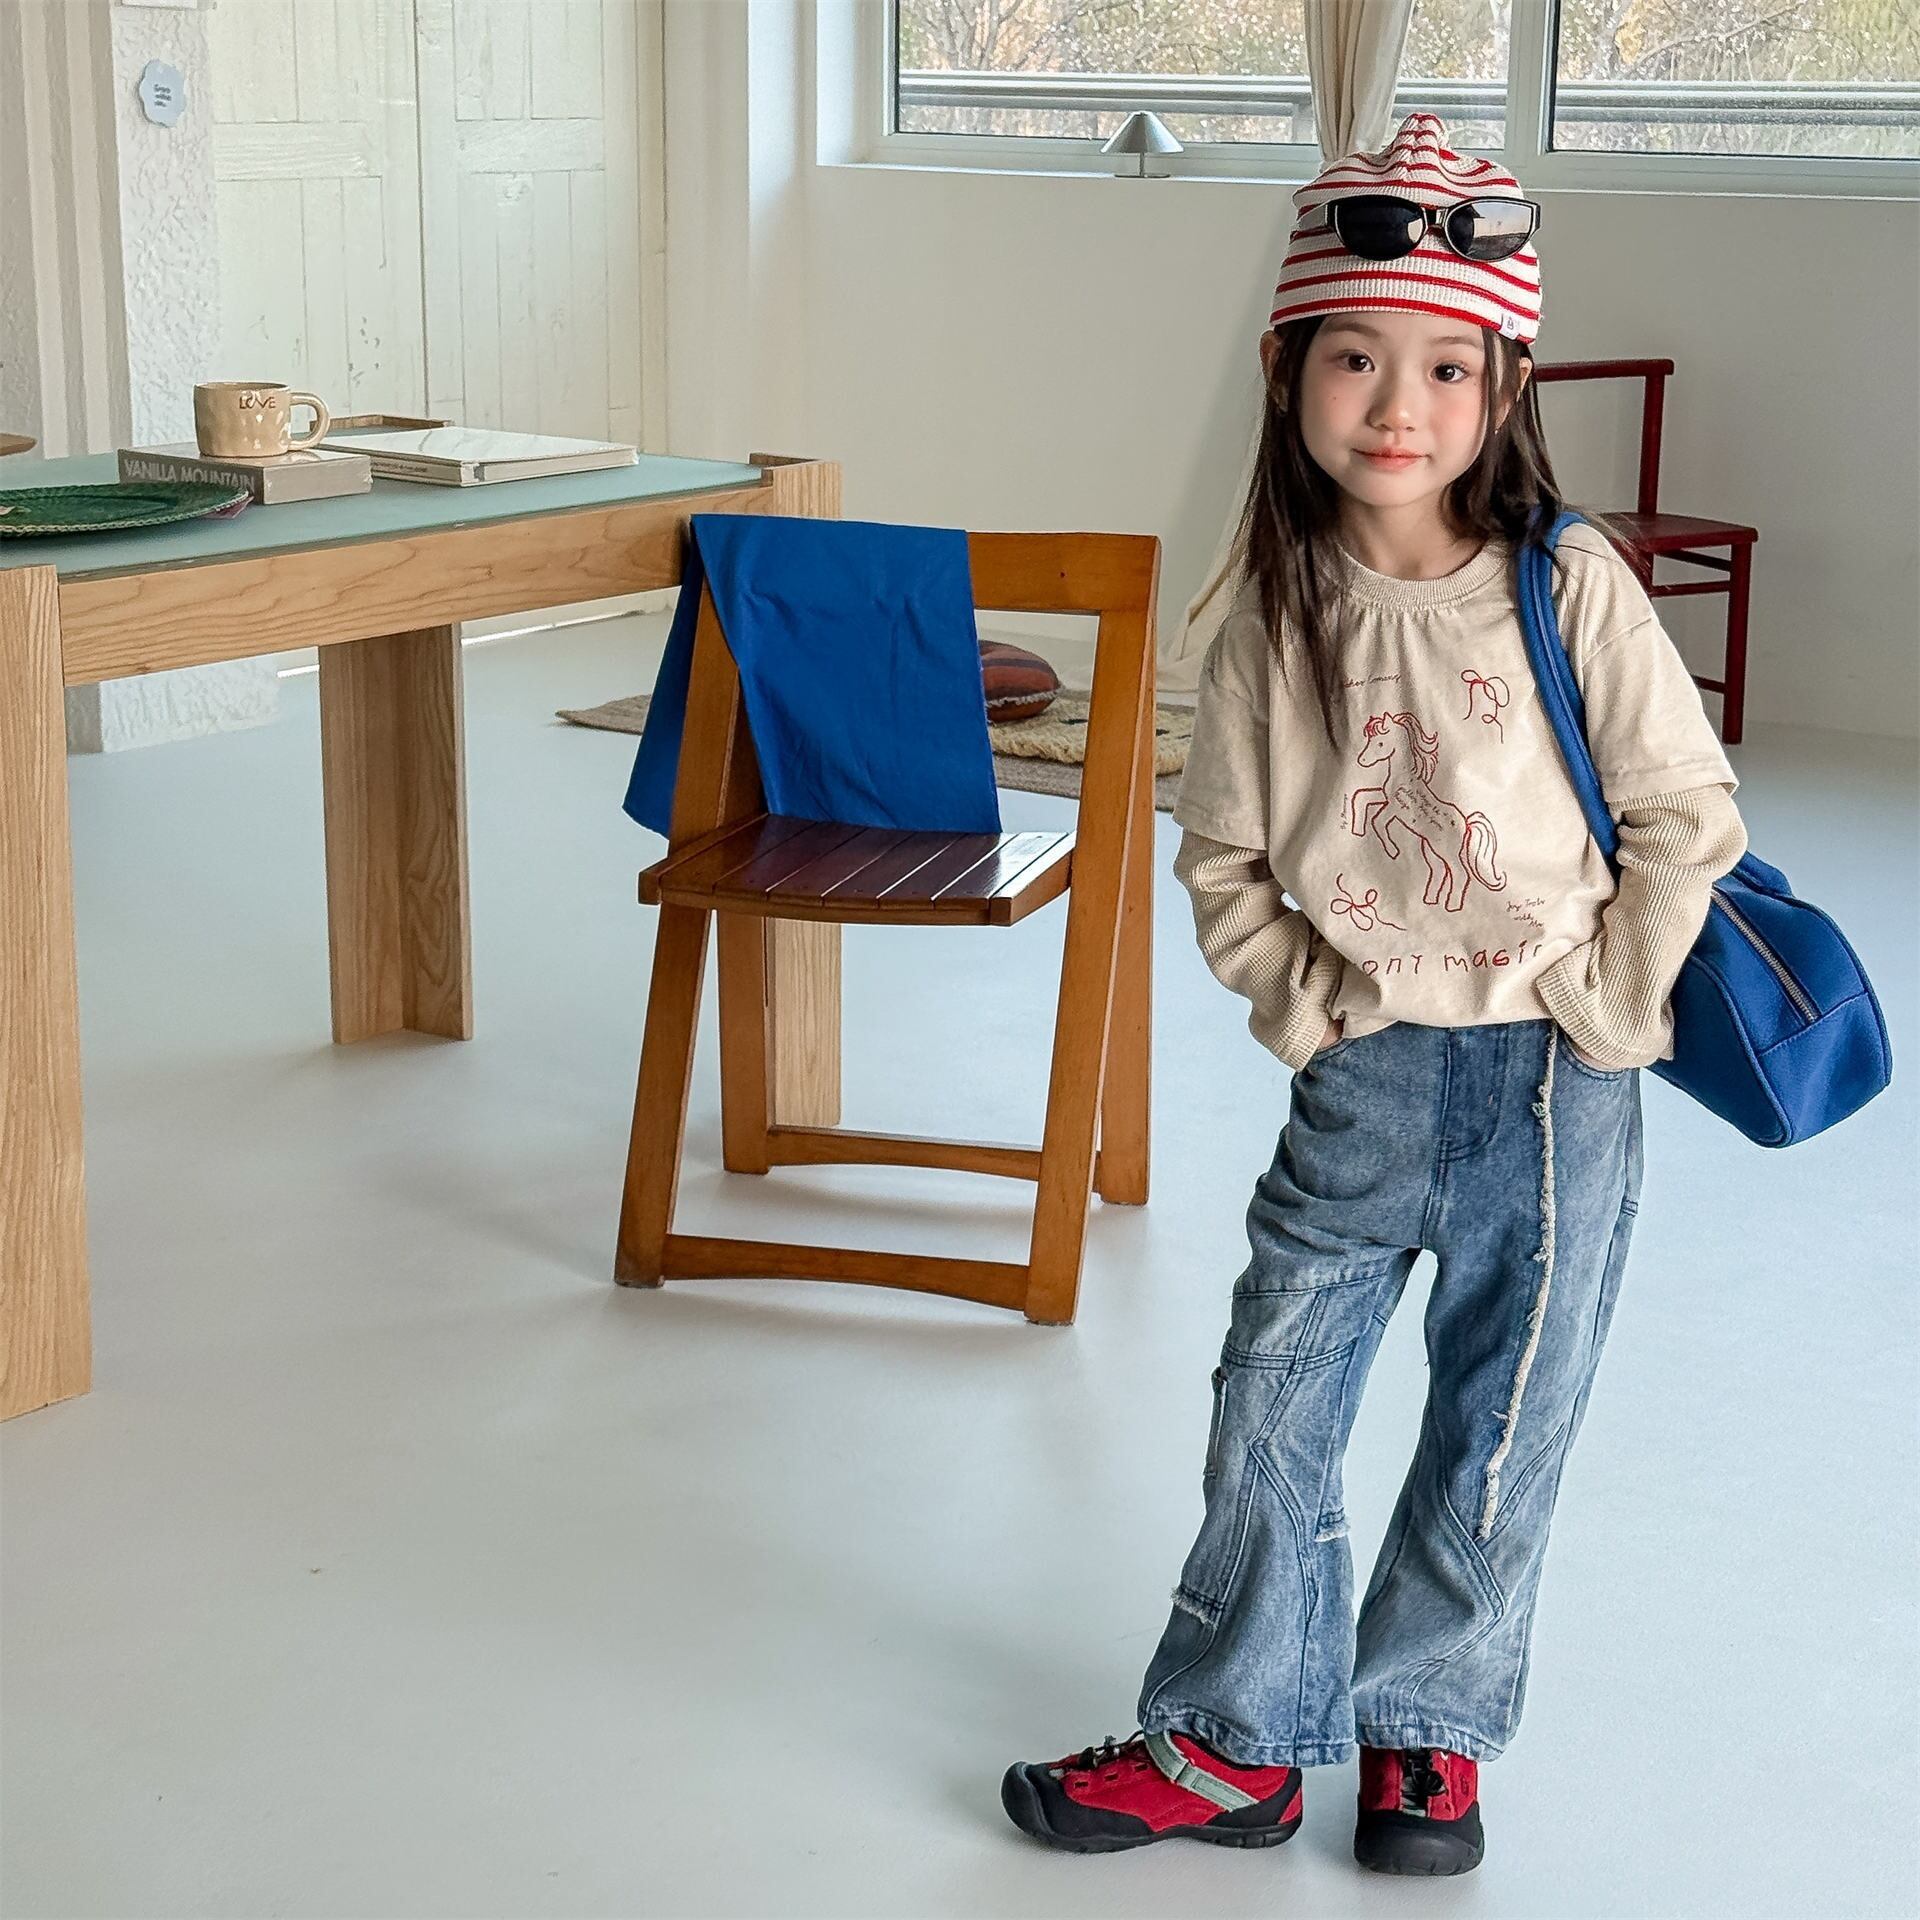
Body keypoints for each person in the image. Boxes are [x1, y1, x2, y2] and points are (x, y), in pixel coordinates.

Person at [1000, 110, 1747, 1878]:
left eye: (1444, 365)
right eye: (1354, 356)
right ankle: (1236, 1742)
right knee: (1275, 1397)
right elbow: (1223, 853)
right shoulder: (1273, 612)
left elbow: (1685, 812)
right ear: (1288, 373)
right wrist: (1304, 1008)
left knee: (1504, 1418)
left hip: (1557, 1088)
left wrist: (1614, 1008)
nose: (1396, 404)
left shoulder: (1567, 581)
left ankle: (1429, 1736)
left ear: (1504, 386)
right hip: (1366, 1077)